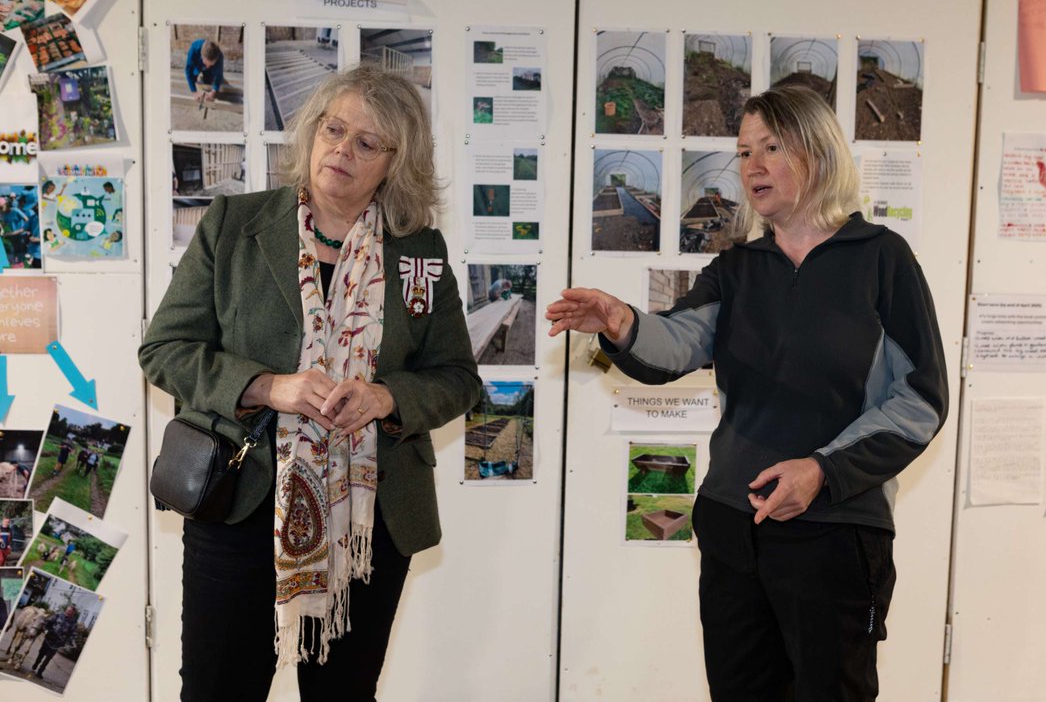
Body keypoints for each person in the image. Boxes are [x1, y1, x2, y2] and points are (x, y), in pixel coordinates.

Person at [546, 85, 949, 701]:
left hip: (835, 530)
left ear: (817, 153)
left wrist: (822, 470)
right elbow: (677, 340)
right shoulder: (737, 267)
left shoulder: (881, 259)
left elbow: (921, 398)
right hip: (735, 526)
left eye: (772, 147)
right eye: (743, 152)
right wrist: (620, 320)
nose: (752, 166)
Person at [140, 63, 480, 701]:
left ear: (395, 163)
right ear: (312, 133)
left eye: (366, 143)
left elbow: (458, 379)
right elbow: (164, 350)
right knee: (217, 691)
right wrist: (269, 386)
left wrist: (388, 398)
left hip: (367, 521)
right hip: (239, 504)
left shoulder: (419, 252)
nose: (342, 150)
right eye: (334, 129)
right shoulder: (233, 225)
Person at [30, 604, 77, 679]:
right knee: (41, 653)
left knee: (48, 657)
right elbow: (48, 622)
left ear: (73, 613)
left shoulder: (73, 622)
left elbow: (73, 633)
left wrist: (71, 641)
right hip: (49, 638)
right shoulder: (58, 615)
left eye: (70, 611)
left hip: (58, 642)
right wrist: (46, 629)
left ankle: (40, 671)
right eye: (67, 610)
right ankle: (36, 664)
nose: (67, 612)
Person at [184, 39, 225, 103]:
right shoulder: (194, 49)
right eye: (206, 63)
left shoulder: (220, 57)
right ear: (201, 56)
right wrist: (194, 92)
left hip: (210, 68)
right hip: (198, 64)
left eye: (211, 64)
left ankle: (208, 73)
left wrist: (213, 92)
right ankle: (200, 71)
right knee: (193, 78)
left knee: (208, 82)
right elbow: (188, 71)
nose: (207, 66)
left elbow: (219, 75)